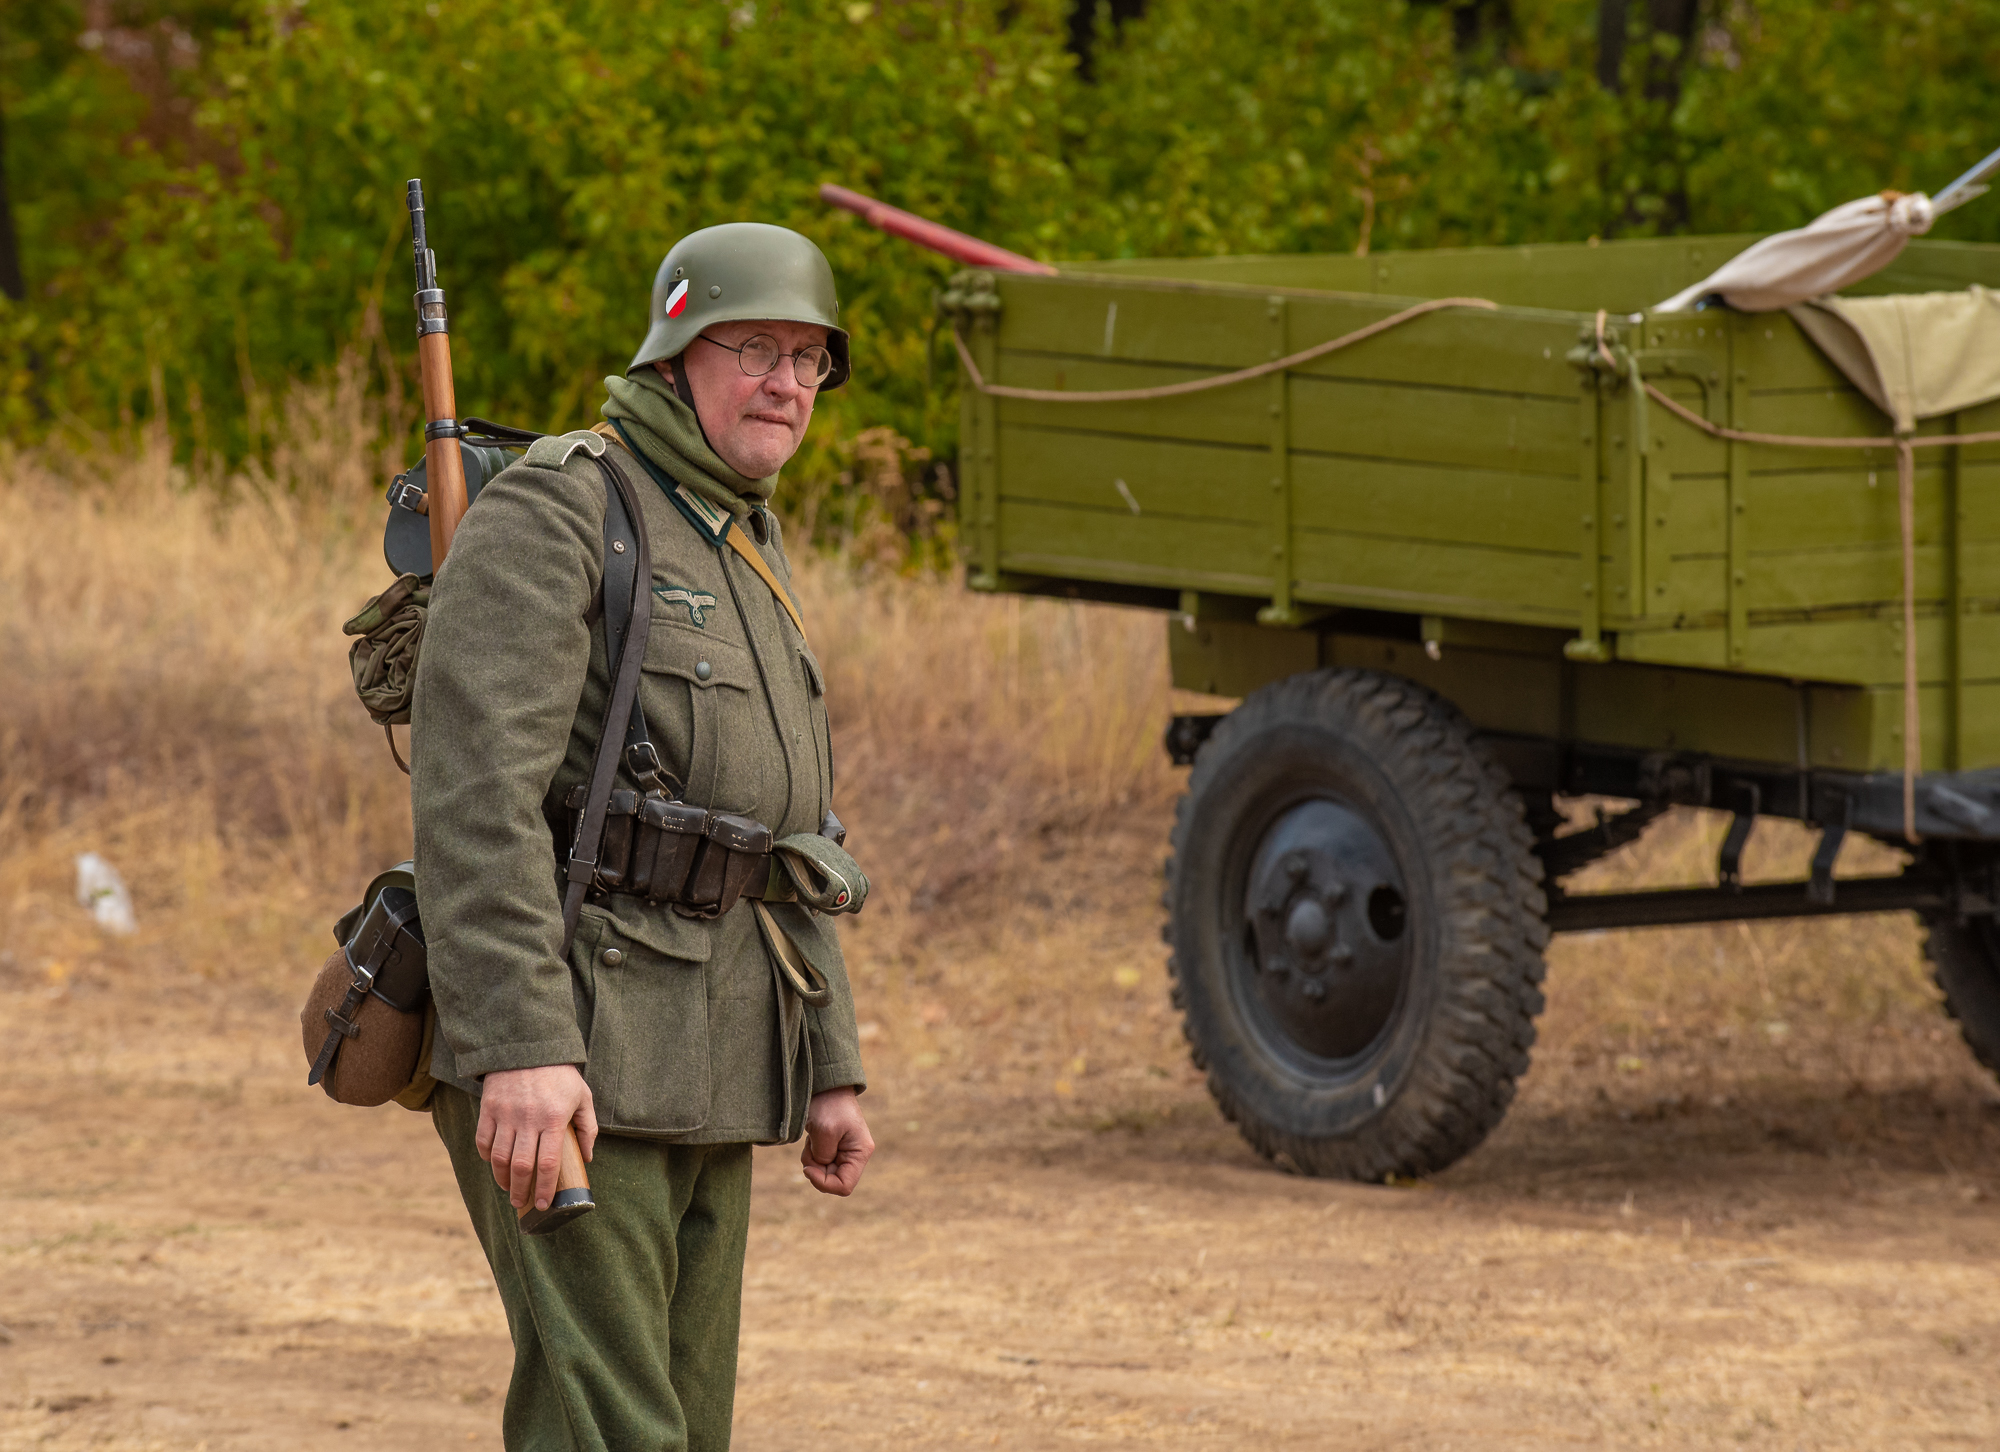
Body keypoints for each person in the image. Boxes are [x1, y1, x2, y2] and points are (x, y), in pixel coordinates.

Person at [410, 222, 875, 1452]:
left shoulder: (739, 531)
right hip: (580, 1051)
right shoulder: (567, 509)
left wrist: (828, 1056)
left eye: (808, 360)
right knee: (608, 1431)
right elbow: (473, 802)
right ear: (677, 354)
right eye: (753, 350)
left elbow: (787, 836)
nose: (784, 384)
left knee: (679, 1430)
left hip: (716, 1056)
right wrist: (517, 1047)